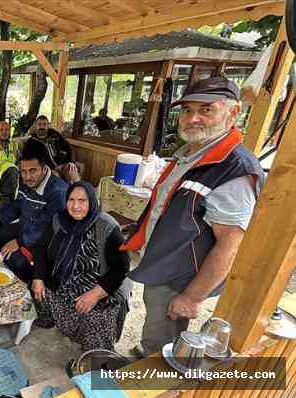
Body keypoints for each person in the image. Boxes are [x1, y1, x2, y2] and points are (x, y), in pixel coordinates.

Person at [121, 77, 265, 356]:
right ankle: (148, 354)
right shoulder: (192, 153)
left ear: (233, 113)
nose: (193, 118)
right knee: (155, 326)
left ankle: (152, 383)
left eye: (206, 109)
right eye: (187, 110)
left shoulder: (233, 168)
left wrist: (191, 297)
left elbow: (230, 245)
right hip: (162, 264)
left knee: (164, 343)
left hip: (179, 278)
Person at [31, 182, 130, 351]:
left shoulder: (106, 226)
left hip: (100, 286)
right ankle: (49, 320)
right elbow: (40, 248)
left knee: (96, 321)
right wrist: (38, 277)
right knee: (36, 289)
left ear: (91, 201)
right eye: (71, 199)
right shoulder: (59, 220)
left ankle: (95, 355)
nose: (76, 206)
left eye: (82, 200)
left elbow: (121, 267)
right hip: (63, 281)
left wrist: (95, 294)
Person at [0, 139, 67, 282]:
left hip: (43, 241)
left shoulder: (58, 191)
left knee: (14, 259)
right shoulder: (26, 182)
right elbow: (16, 206)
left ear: (44, 169)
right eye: (23, 172)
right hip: (23, 228)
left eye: (33, 171)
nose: (27, 177)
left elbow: (47, 227)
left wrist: (19, 242)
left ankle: (25, 288)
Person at [30, 115, 80, 183]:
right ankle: (67, 191)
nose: (42, 127)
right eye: (39, 124)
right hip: (49, 169)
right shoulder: (31, 142)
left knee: (73, 172)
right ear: (36, 126)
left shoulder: (55, 134)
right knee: (57, 179)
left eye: (44, 124)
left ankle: (79, 189)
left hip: (62, 165)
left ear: (48, 125)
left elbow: (68, 146)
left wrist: (71, 161)